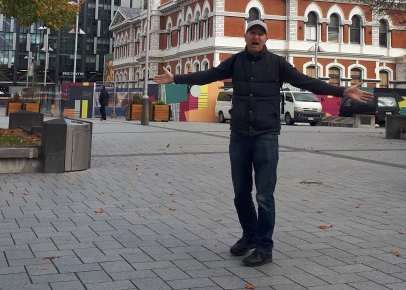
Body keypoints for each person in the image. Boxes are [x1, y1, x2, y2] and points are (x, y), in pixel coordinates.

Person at [153, 20, 374, 267]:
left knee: (264, 196)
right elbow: (209, 75)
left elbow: (306, 82)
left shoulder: (278, 64)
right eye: (252, 33)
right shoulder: (235, 62)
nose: (256, 37)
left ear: (266, 39)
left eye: (260, 34)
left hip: (266, 136)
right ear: (245, 36)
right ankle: (249, 236)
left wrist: (342, 91)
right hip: (239, 135)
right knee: (241, 194)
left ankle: (264, 247)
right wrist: (176, 79)